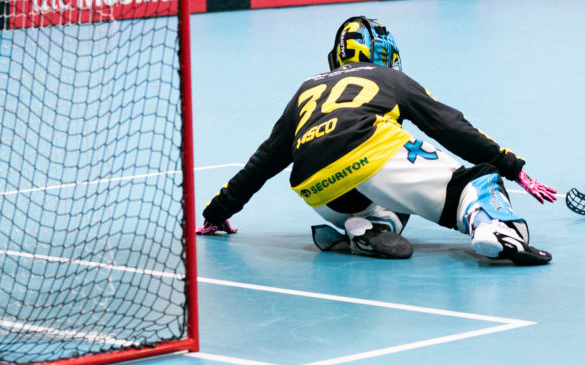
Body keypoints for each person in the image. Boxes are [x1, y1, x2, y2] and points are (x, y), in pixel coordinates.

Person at [197, 16, 557, 264]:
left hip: (314, 183)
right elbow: (450, 126)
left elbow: (264, 161)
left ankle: (365, 225)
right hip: (368, 149)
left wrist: (217, 213)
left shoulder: (306, 89)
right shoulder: (391, 78)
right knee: (477, 180)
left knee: (393, 204)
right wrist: (512, 167)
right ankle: (495, 231)